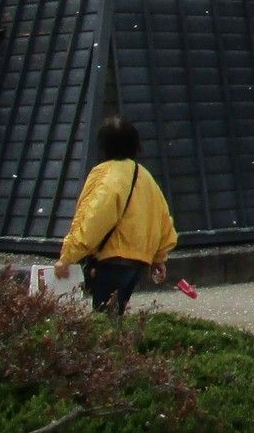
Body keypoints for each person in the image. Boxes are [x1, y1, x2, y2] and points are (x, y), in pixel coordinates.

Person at [54, 115, 177, 317]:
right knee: (116, 317)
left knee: (103, 323)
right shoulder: (144, 176)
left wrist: (67, 257)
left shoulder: (106, 176)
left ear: (104, 145)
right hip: (137, 263)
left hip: (112, 260)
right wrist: (158, 257)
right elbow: (162, 218)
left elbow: (94, 219)